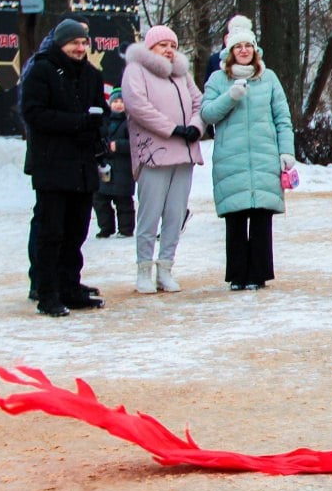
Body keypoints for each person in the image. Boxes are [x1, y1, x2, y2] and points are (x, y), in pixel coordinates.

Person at [18, 18, 108, 316]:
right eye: (74, 43)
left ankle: (70, 286)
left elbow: (100, 113)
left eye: (83, 43)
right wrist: (76, 123)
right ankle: (47, 292)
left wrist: (98, 130)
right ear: (60, 43)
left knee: (76, 231)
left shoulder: (92, 75)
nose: (80, 48)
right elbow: (33, 113)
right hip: (52, 164)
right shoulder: (41, 70)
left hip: (82, 165)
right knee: (51, 231)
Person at [200, 15, 295, 291]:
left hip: (265, 156)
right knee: (236, 217)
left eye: (248, 46)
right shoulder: (219, 79)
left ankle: (260, 273)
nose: (244, 51)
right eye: (238, 47)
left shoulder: (268, 78)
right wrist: (230, 96)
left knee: (262, 217)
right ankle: (238, 274)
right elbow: (207, 113)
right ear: (230, 52)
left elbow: (282, 118)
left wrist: (286, 152)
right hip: (233, 159)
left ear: (255, 50)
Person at [121, 25, 205, 294]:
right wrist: (172, 128)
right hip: (154, 152)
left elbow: (198, 102)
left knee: (175, 214)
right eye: (162, 45)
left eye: (172, 45)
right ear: (150, 48)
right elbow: (137, 105)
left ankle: (166, 267)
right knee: (150, 214)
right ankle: (143, 268)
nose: (169, 50)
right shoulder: (136, 70)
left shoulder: (182, 74)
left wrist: (195, 126)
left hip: (184, 152)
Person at [93, 88, 135, 239]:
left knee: (123, 201)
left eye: (121, 101)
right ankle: (106, 227)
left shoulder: (131, 122)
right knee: (100, 200)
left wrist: (119, 145)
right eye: (115, 101)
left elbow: (136, 143)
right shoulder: (104, 122)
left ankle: (125, 229)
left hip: (123, 168)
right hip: (105, 167)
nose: (118, 105)